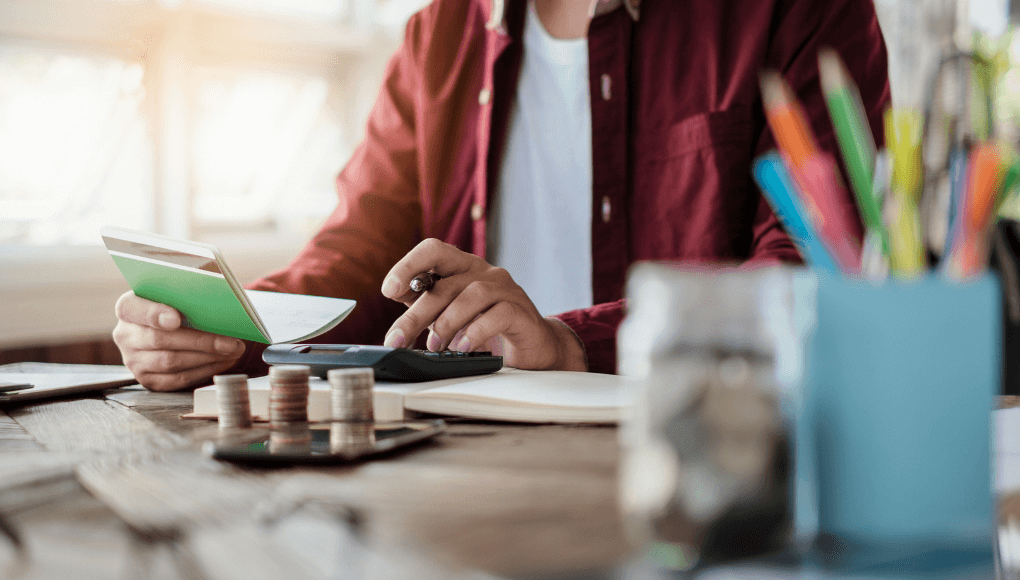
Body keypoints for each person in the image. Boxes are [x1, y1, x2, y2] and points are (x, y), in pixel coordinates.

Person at [113, 0, 890, 391]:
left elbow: (815, 269)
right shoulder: (437, 38)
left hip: (712, 452)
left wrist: (575, 343)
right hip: (469, 450)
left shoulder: (801, 9)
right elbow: (354, 254)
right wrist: (222, 329)